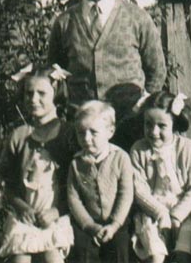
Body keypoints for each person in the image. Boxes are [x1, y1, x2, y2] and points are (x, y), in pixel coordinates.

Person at [48, 0, 166, 109]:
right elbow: (53, 73)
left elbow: (157, 71)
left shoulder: (138, 18)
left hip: (129, 127)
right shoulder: (64, 23)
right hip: (83, 129)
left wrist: (141, 110)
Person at [0, 64, 76, 262]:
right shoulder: (19, 135)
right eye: (28, 93)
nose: (33, 99)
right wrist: (22, 208)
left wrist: (57, 210)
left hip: (56, 216)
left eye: (41, 93)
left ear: (56, 94)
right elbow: (8, 184)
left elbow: (77, 185)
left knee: (52, 256)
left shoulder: (68, 134)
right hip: (26, 216)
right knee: (20, 257)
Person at [130, 91, 191, 263]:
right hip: (152, 210)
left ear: (174, 124)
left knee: (184, 246)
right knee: (154, 249)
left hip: (185, 210)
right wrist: (160, 213)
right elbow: (139, 189)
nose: (154, 132)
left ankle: (181, 255)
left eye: (162, 126)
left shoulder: (187, 148)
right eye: (148, 124)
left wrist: (177, 215)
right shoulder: (138, 149)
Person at [67, 100, 134, 263]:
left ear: (110, 132)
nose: (86, 138)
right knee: (83, 248)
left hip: (117, 219)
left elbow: (126, 194)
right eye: (81, 133)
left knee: (120, 247)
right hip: (89, 221)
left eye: (93, 132)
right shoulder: (76, 163)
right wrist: (90, 226)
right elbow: (73, 198)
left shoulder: (120, 158)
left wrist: (114, 224)